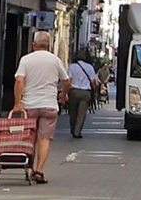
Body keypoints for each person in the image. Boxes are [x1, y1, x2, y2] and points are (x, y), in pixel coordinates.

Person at [12, 31, 70, 184]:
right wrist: (63, 96)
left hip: (29, 105)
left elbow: (19, 81)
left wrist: (18, 103)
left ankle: (29, 167)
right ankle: (39, 170)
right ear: (49, 45)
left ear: (33, 45)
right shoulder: (55, 60)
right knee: (44, 138)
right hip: (49, 105)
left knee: (29, 137)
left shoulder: (26, 60)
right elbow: (67, 81)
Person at [66, 51, 99, 138]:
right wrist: (95, 92)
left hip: (74, 91)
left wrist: (65, 92)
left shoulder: (72, 67)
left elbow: (69, 80)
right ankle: (77, 132)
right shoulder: (90, 67)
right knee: (82, 113)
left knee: (73, 112)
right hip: (86, 93)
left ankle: (72, 129)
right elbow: (93, 82)